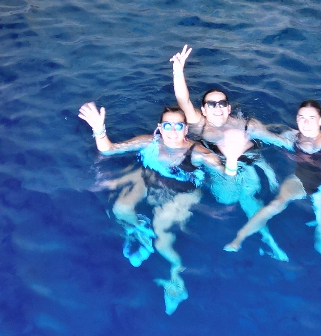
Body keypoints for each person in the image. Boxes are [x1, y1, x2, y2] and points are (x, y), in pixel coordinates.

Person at [78, 102, 220, 314]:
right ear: (160, 128)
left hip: (185, 190)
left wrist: (232, 161)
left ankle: (176, 276)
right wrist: (99, 129)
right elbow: (109, 150)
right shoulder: (149, 142)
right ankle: (139, 231)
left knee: (162, 233)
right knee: (121, 209)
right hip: (151, 177)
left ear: (186, 129)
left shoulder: (197, 153)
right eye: (168, 126)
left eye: (178, 126)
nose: (172, 131)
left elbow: (221, 169)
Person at [224, 46, 321, 259]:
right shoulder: (293, 136)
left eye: (311, 118)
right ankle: (240, 237)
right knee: (276, 204)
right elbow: (268, 133)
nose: (305, 123)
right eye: (301, 118)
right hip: (300, 178)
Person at [169, 45, 290, 262]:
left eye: (222, 103)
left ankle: (267, 238)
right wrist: (178, 72)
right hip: (222, 168)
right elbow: (183, 102)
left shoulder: (245, 124)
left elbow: (269, 144)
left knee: (249, 197)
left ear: (228, 108)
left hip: (249, 165)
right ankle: (264, 237)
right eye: (211, 104)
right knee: (229, 198)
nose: (217, 107)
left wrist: (269, 171)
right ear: (204, 109)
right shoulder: (200, 124)